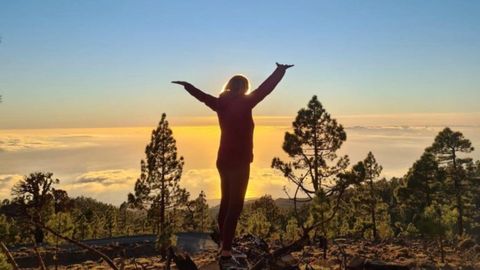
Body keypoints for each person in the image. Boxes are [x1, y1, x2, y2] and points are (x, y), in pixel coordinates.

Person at [172, 62, 293, 269]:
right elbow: (266, 89)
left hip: (223, 160)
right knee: (234, 207)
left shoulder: (220, 103)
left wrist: (188, 86)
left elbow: (202, 96)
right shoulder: (246, 103)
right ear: (243, 88)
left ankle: (223, 246)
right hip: (239, 161)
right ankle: (226, 254)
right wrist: (280, 71)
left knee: (227, 203)